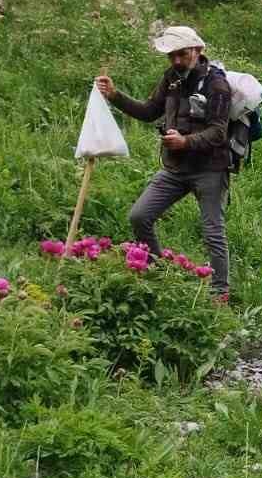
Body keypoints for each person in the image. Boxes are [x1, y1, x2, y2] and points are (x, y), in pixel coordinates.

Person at [97, 25, 234, 299]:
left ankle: (220, 293)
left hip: (210, 169)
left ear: (198, 50)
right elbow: (149, 112)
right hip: (175, 168)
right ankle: (158, 270)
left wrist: (186, 141)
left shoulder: (217, 85)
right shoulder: (171, 78)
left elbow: (219, 132)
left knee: (212, 231)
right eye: (171, 55)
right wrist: (115, 95)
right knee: (140, 216)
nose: (176, 61)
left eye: (181, 54)